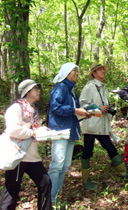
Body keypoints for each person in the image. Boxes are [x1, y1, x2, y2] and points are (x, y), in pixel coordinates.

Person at [79, 63, 128, 190]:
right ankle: (86, 180)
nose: (103, 71)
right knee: (87, 151)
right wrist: (98, 108)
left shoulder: (103, 87)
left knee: (111, 148)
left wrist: (106, 109)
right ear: (93, 74)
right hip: (91, 125)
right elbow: (82, 106)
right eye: (99, 70)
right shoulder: (89, 87)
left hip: (102, 125)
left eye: (103, 69)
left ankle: (123, 173)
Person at [0, 79, 52, 210]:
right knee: (11, 192)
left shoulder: (33, 111)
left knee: (45, 182)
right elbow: (13, 130)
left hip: (31, 155)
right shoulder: (16, 108)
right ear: (27, 92)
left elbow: (33, 133)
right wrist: (34, 132)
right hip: (17, 155)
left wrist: (44, 133)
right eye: (35, 89)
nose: (38, 91)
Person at [48, 63, 91, 204]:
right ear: (66, 73)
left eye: (78, 72)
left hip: (71, 131)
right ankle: (49, 199)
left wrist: (84, 114)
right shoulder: (61, 88)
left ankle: (54, 198)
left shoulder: (72, 91)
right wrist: (75, 110)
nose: (77, 74)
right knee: (57, 165)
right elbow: (56, 107)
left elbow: (73, 111)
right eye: (74, 71)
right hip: (60, 130)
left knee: (65, 165)